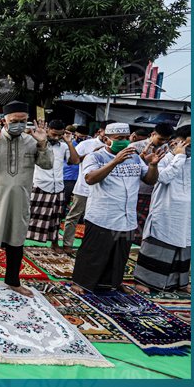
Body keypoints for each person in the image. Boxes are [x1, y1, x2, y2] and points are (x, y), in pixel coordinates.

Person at [0, 101, 52, 298]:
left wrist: (42, 143)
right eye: (14, 121)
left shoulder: (32, 142)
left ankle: (13, 281)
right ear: (4, 120)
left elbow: (47, 164)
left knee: (16, 243)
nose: (19, 125)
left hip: (19, 201)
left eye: (23, 121)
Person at [70, 123, 163, 295]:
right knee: (94, 252)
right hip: (102, 214)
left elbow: (149, 180)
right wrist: (115, 161)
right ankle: (81, 283)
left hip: (127, 217)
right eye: (118, 139)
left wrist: (153, 166)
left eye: (126, 138)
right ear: (107, 139)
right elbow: (90, 179)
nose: (124, 142)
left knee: (120, 254)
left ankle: (112, 283)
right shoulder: (95, 157)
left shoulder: (134, 157)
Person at [134, 125, 191, 293]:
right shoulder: (165, 158)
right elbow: (164, 178)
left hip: (187, 213)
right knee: (157, 246)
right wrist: (179, 157)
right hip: (166, 210)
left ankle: (178, 283)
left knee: (184, 247)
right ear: (177, 142)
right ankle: (144, 281)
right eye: (189, 144)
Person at [26, 120, 79, 252]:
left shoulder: (64, 146)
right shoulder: (37, 143)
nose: (56, 138)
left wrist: (69, 142)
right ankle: (17, 242)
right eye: (54, 134)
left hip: (58, 187)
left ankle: (54, 244)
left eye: (59, 135)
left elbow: (75, 161)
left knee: (56, 218)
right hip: (39, 184)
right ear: (48, 130)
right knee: (28, 216)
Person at [61, 126, 107, 254]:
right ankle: (67, 244)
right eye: (107, 132)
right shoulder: (87, 144)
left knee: (97, 220)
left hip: (103, 191)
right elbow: (73, 161)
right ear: (100, 131)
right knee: (74, 216)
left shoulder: (118, 149)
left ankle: (90, 246)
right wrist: (93, 153)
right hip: (83, 188)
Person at [129, 123, 175, 245]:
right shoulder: (136, 146)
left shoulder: (168, 149)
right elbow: (127, 167)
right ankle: (128, 244)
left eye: (166, 139)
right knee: (133, 220)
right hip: (138, 189)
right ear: (153, 134)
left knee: (148, 221)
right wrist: (142, 159)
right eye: (161, 138)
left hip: (155, 191)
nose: (163, 141)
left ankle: (140, 245)